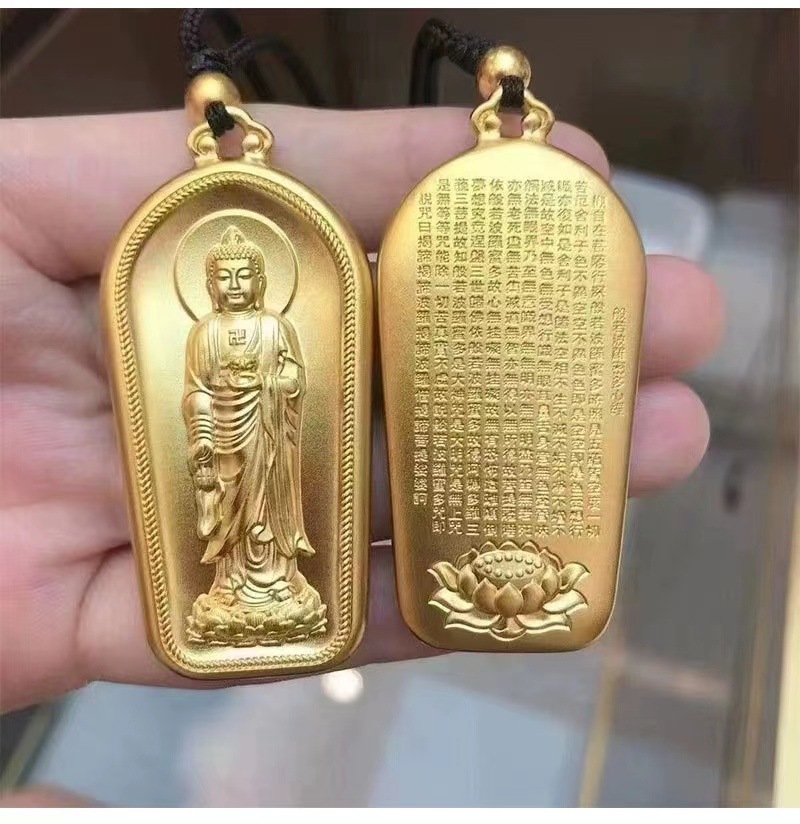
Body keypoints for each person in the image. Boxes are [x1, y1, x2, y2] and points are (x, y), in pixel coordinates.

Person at [0, 106, 723, 804]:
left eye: (247, 278)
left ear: (261, 281)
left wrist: (275, 386)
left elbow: (295, 382)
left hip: (270, 438)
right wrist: (209, 416)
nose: (238, 288)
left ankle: (275, 584)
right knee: (234, 534)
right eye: (226, 281)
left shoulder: (274, 328)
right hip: (225, 437)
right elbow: (187, 391)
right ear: (211, 286)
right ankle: (239, 588)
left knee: (273, 518)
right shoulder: (205, 334)